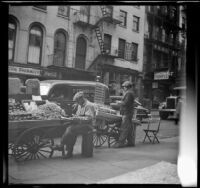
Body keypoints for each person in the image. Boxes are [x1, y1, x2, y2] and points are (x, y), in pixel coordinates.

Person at [52, 91, 96, 159]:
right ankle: (68, 152)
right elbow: (78, 115)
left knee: (70, 129)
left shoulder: (89, 105)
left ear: (81, 99)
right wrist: (74, 117)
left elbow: (88, 118)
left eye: (77, 101)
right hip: (80, 124)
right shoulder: (79, 105)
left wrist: (78, 118)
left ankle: (62, 145)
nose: (77, 103)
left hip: (88, 126)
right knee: (71, 132)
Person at [113, 81, 135, 148]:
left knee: (124, 128)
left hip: (127, 112)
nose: (123, 88)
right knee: (129, 128)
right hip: (128, 112)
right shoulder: (129, 93)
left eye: (124, 87)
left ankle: (121, 143)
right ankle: (131, 142)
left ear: (127, 87)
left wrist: (119, 102)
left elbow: (126, 103)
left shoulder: (129, 93)